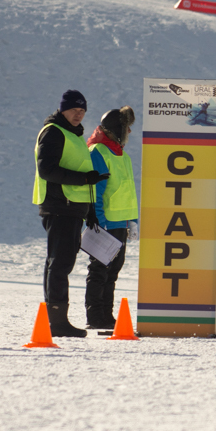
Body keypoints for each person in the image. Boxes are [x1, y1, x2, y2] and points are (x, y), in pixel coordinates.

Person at [34, 90, 109, 338]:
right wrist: (84, 179)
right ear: (62, 110)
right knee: (60, 263)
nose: (78, 114)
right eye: (74, 110)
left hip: (71, 207)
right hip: (59, 206)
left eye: (82, 111)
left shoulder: (73, 134)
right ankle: (56, 321)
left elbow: (77, 169)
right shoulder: (54, 132)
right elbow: (47, 170)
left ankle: (55, 319)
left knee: (60, 262)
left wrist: (89, 211)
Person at [84, 106, 138, 330]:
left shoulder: (121, 154)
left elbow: (127, 190)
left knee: (113, 270)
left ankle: (106, 314)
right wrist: (98, 220)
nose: (130, 133)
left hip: (120, 222)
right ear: (118, 129)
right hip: (106, 222)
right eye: (127, 128)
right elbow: (95, 191)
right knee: (99, 271)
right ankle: (95, 316)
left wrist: (132, 220)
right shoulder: (98, 151)